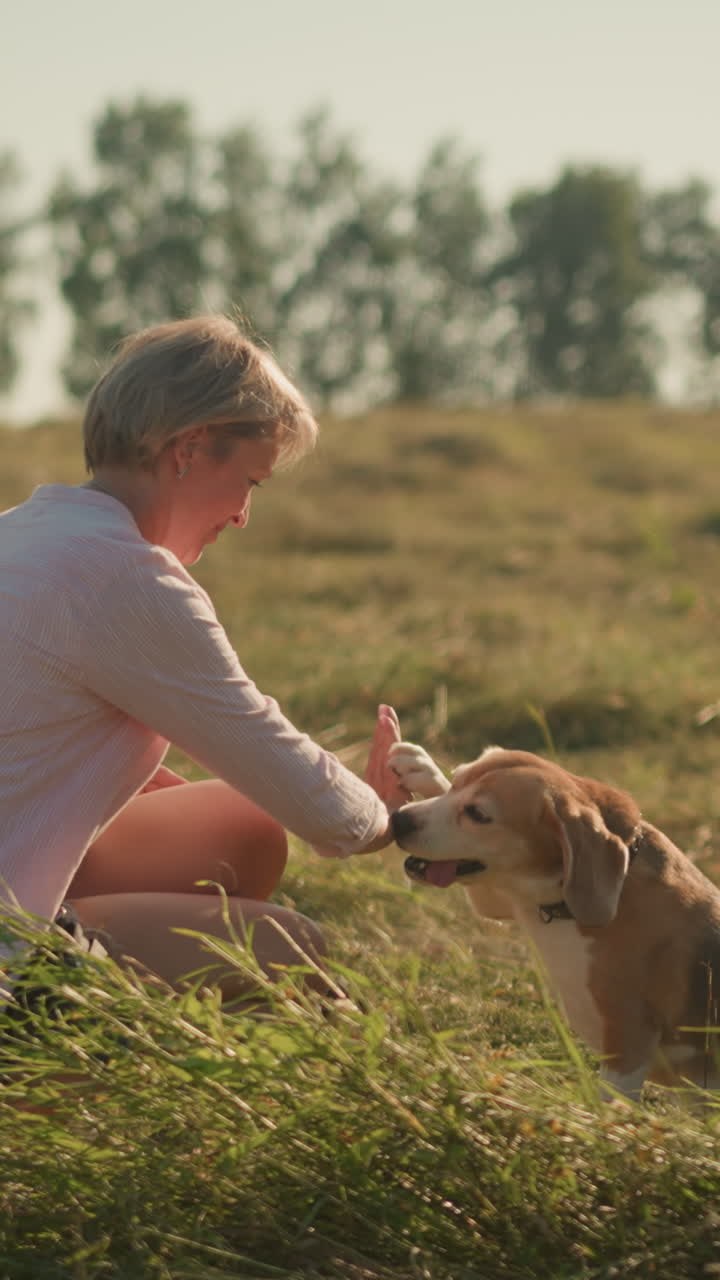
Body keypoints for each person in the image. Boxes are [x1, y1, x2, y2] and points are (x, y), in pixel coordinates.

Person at [0, 314, 407, 1004]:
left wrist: (117, 772)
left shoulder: (21, 535)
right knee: (284, 950)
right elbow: (310, 796)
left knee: (238, 827)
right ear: (188, 449)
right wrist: (392, 819)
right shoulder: (130, 580)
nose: (244, 515)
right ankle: (61, 1067)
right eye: (251, 481)